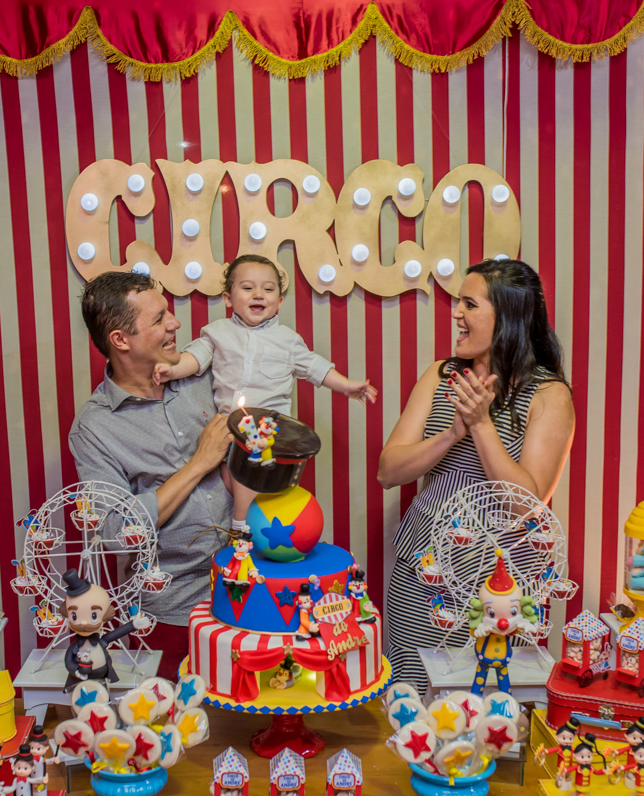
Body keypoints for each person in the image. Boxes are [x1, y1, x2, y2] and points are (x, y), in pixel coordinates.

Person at [377, 259, 575, 694]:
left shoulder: (549, 394)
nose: (456, 313)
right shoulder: (441, 376)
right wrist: (453, 433)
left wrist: (483, 425)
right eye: (458, 303)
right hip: (421, 572)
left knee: (482, 703)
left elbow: (527, 508)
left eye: (469, 304)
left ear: (507, 316)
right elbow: (388, 471)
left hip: (496, 591)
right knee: (411, 696)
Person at [69, 272, 234, 679]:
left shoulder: (202, 376)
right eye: (159, 319)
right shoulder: (94, 428)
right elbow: (115, 530)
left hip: (249, 589)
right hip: (171, 610)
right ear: (120, 339)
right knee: (178, 717)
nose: (175, 324)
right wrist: (199, 463)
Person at [154, 254, 377, 532]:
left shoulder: (288, 340)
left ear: (279, 302)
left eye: (268, 289)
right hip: (226, 430)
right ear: (228, 298)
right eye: (248, 288)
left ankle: (240, 529)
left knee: (249, 471)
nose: (258, 294)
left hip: (267, 432)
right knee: (227, 477)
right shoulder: (217, 332)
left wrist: (345, 386)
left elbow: (315, 367)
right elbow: (195, 357)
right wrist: (172, 371)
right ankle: (244, 523)